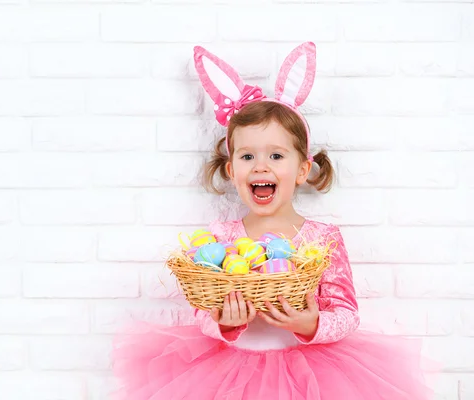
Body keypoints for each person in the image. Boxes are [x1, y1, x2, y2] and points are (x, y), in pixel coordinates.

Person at [111, 42, 435, 399]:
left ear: (302, 170)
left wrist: (312, 324)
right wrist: (225, 323)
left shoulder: (320, 240)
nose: (261, 166)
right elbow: (203, 312)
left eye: (277, 155)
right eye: (248, 156)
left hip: (314, 374)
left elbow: (346, 311)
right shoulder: (220, 239)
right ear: (233, 171)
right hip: (229, 375)